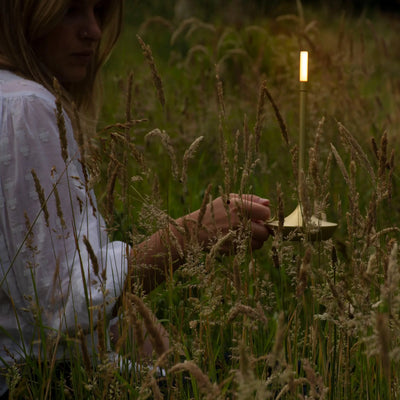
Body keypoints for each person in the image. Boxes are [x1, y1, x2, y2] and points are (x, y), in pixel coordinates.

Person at [0, 0, 271, 397]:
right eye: (70, 10)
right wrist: (187, 236)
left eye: (98, 11)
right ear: (24, 15)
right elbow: (57, 305)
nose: (92, 30)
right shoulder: (26, 107)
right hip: (38, 383)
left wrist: (132, 325)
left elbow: (35, 281)